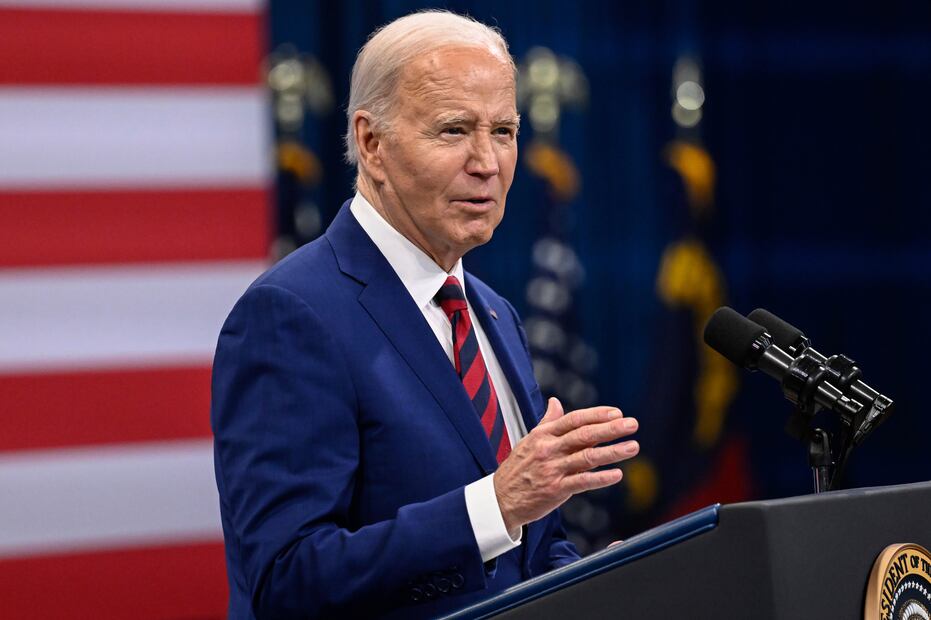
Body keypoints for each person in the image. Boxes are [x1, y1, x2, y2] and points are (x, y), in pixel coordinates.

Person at [211, 10, 640, 619]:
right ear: (371, 144)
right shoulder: (290, 315)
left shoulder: (494, 313)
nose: (487, 162)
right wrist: (492, 506)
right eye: (453, 130)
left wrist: (600, 582)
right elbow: (286, 581)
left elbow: (530, 550)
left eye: (503, 131)